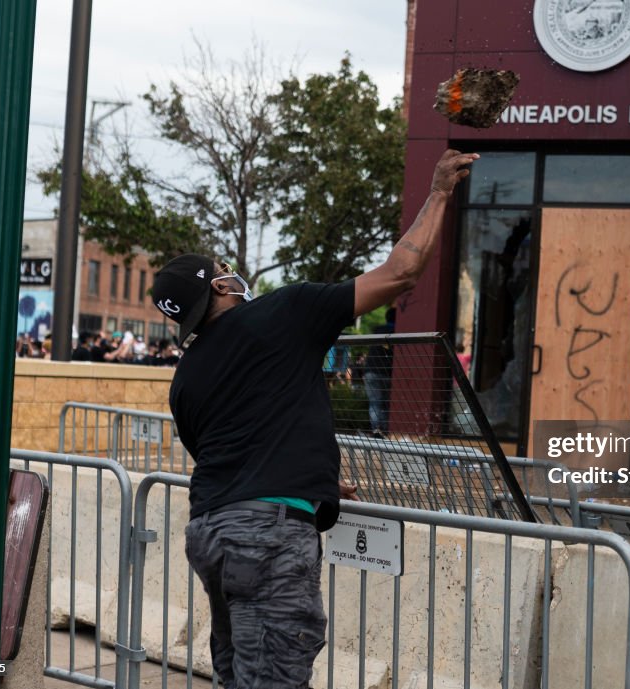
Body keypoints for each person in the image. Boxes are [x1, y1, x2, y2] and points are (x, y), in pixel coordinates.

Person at [151, 149, 478, 689]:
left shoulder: (185, 377)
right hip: (266, 538)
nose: (236, 276)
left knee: (239, 675)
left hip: (210, 533)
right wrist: (440, 189)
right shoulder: (284, 312)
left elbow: (232, 453)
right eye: (226, 272)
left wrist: (314, 479)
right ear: (218, 286)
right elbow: (402, 272)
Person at [364, 307, 395, 435]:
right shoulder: (398, 331)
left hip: (371, 371)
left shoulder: (377, 330)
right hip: (388, 372)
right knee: (386, 403)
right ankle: (384, 429)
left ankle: (376, 429)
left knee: (375, 402)